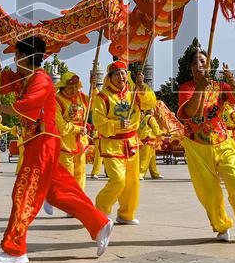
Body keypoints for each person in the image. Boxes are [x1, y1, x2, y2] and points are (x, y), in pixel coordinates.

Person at [0, 35, 112, 263]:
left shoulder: (42, 80)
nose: (14, 59)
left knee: (24, 193)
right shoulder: (24, 78)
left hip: (43, 141)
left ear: (24, 56)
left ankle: (15, 250)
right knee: (59, 193)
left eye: (16, 55)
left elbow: (28, 106)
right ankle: (99, 222)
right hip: (39, 142)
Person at [177, 49, 235, 241]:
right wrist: (200, 87)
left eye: (203, 61)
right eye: (196, 62)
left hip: (222, 140)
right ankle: (221, 226)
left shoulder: (220, 87)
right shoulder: (187, 88)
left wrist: (232, 81)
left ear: (209, 65)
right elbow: (189, 112)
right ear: (191, 68)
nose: (200, 64)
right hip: (196, 144)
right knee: (209, 190)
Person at [91, 61, 156, 224]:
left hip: (132, 142)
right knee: (118, 180)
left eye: (123, 73)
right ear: (110, 77)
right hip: (112, 144)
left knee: (132, 183)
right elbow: (98, 122)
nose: (121, 76)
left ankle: (126, 214)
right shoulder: (103, 97)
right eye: (117, 73)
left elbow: (150, 103)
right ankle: (101, 208)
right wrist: (116, 125)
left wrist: (142, 86)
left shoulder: (134, 92)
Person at [55, 73, 91, 188]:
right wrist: (78, 128)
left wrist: (93, 86)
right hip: (65, 144)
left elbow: (95, 101)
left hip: (80, 141)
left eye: (76, 86)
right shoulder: (57, 100)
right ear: (63, 87)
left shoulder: (81, 96)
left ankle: (80, 200)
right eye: (70, 87)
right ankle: (68, 201)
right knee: (67, 177)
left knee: (80, 173)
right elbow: (61, 126)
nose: (74, 90)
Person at [138, 109, 164, 180]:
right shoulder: (151, 118)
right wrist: (162, 133)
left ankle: (155, 174)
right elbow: (156, 129)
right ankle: (140, 174)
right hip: (148, 141)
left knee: (152, 159)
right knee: (145, 159)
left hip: (146, 141)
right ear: (151, 111)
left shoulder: (144, 118)